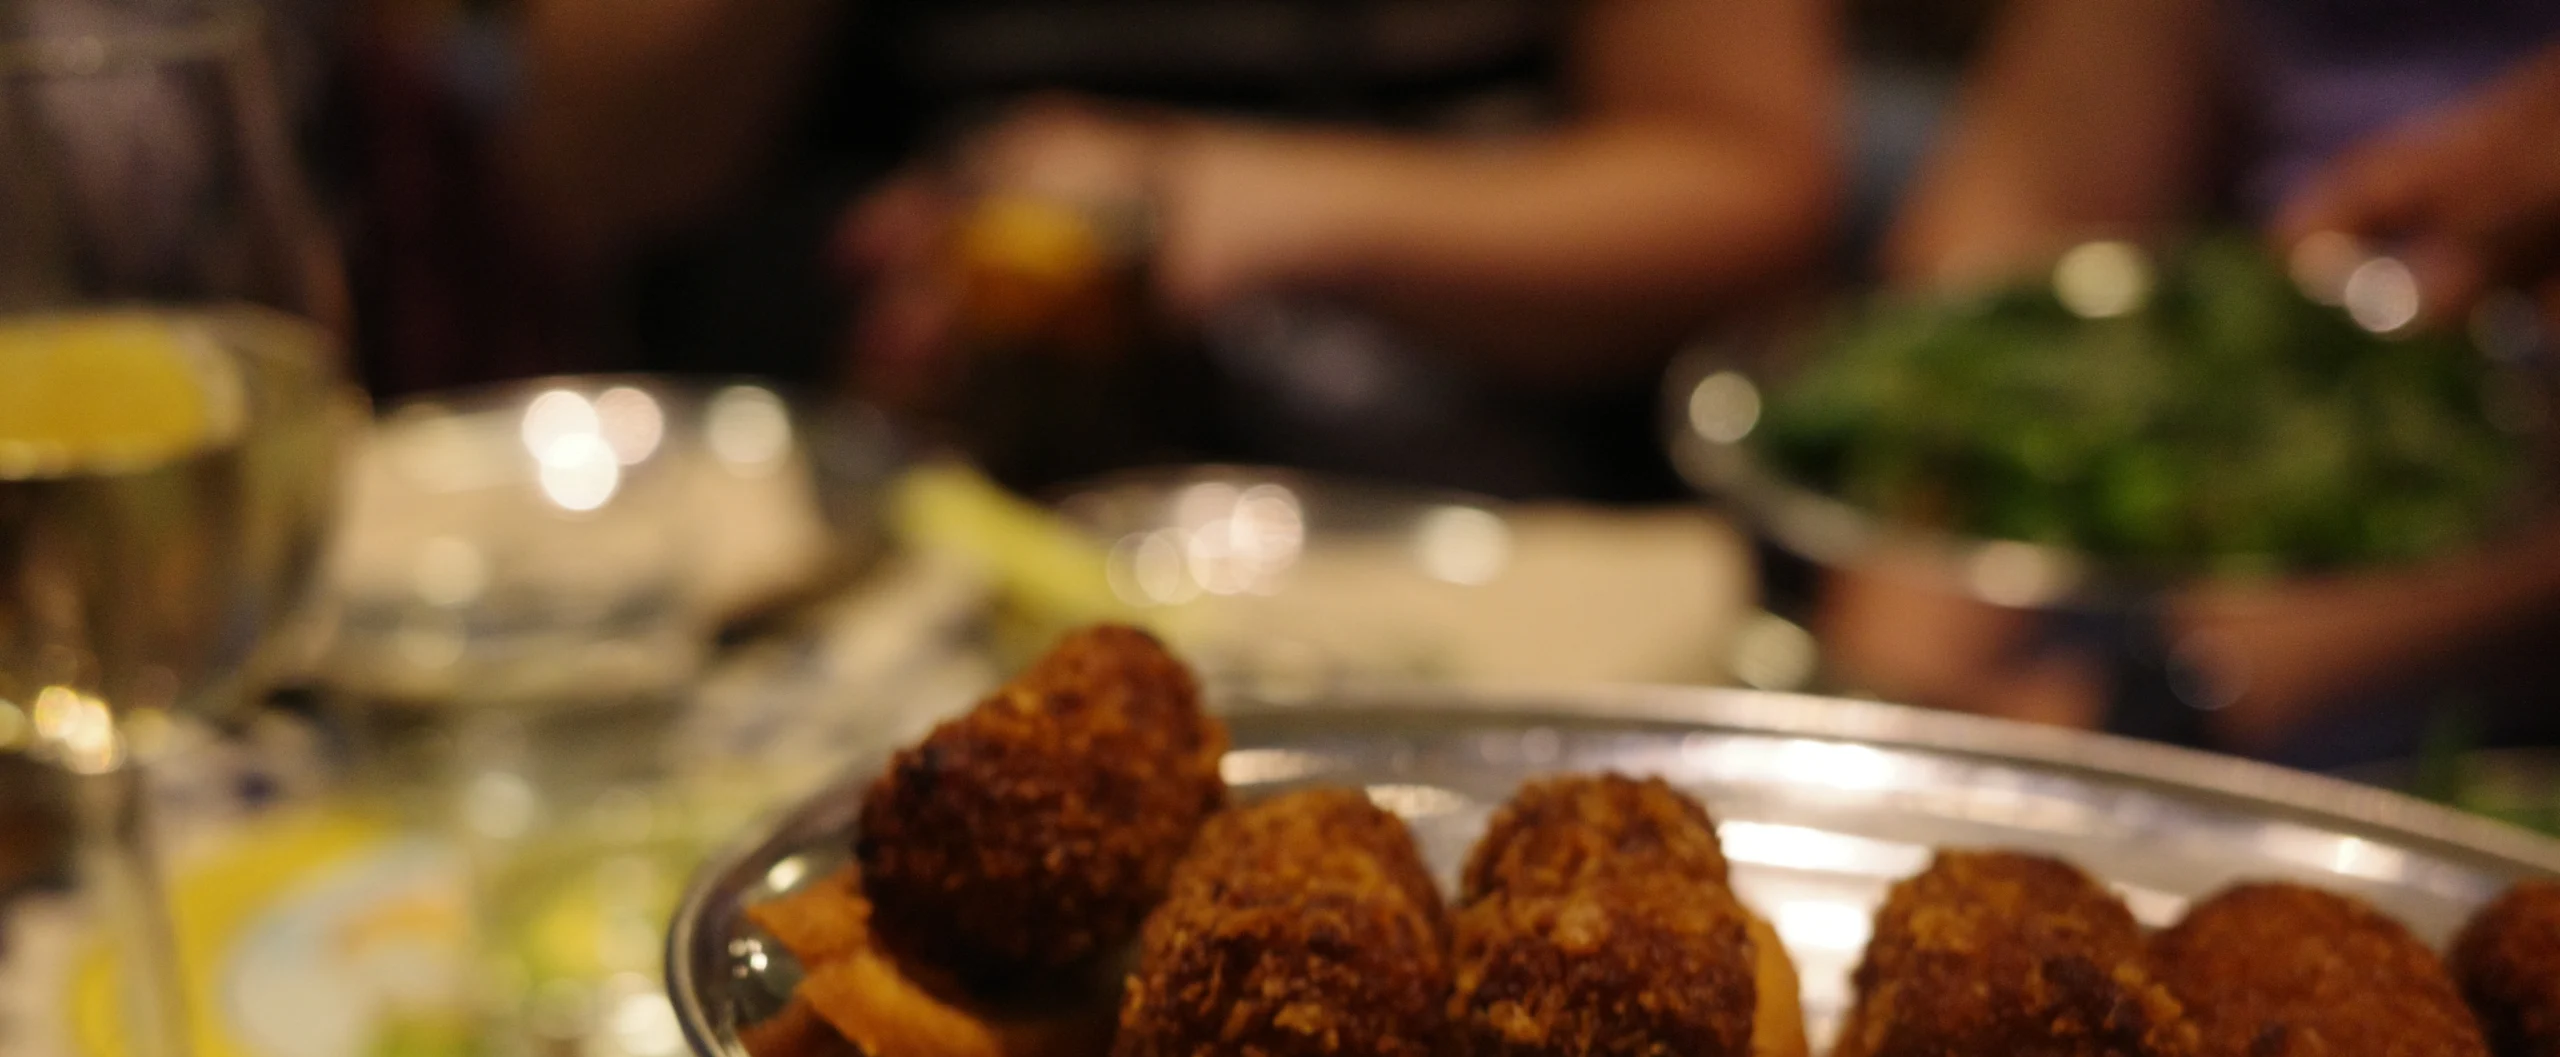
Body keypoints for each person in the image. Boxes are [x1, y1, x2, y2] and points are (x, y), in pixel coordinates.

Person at [497, 0, 1842, 496]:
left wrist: (1268, 200)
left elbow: (1750, 184)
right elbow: (594, 174)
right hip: (908, 492)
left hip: (1479, 495)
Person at [1828, 0, 2560, 762]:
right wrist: (1892, 706)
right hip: (2131, 585)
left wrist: (2165, 698)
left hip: (2464, 697)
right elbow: (2043, 193)